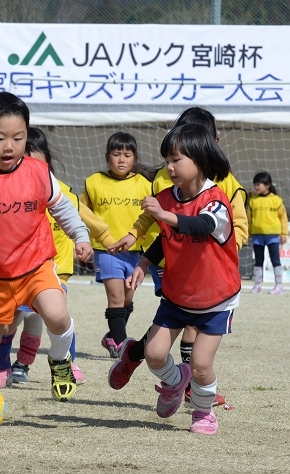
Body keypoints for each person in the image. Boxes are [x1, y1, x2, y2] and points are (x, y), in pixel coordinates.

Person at [0, 92, 93, 402]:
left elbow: (63, 207)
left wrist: (81, 236)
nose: (9, 146)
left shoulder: (38, 172)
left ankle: (60, 361)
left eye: (18, 137)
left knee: (57, 314)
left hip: (36, 266)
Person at [108, 106, 246, 409]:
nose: (168, 167)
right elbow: (166, 236)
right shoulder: (168, 195)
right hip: (177, 291)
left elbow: (201, 225)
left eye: (176, 160)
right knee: (156, 353)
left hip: (215, 297)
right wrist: (144, 262)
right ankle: (174, 383)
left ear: (203, 156)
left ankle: (202, 410)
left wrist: (164, 215)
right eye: (167, 159)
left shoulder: (217, 199)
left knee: (200, 363)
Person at [0, 127, 115, 387]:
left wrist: (109, 242)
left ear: (47, 161)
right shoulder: (12, 196)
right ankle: (2, 368)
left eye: (37, 160)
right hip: (19, 271)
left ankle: (65, 362)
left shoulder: (62, 192)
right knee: (10, 322)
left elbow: (89, 220)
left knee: (58, 316)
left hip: (58, 270)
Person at [79, 132, 152, 358]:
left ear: (135, 158)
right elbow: (81, 211)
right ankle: (121, 344)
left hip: (135, 251)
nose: (121, 159)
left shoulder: (144, 184)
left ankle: (111, 335)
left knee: (128, 298)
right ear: (106, 157)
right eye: (116, 154)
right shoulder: (93, 182)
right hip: (106, 250)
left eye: (127, 155)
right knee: (116, 298)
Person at [249, 171, 287, 294]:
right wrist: (246, 235)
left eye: (258, 184)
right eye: (255, 184)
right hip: (257, 236)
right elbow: (248, 219)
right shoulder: (252, 201)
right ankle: (257, 285)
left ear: (267, 185)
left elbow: (283, 218)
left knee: (275, 260)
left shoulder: (276, 200)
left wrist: (284, 234)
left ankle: (279, 285)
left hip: (272, 237)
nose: (256, 187)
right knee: (258, 261)